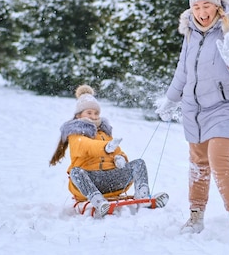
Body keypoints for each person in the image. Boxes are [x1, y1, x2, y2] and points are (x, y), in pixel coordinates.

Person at [156, 0, 229, 240]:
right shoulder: (190, 32)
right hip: (197, 108)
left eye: (207, 5)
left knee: (219, 159)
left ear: (217, 6)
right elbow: (183, 70)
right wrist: (171, 98)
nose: (201, 12)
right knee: (198, 162)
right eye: (196, 6)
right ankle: (195, 216)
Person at [50, 84, 169, 218]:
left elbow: (117, 150)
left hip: (112, 180)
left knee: (138, 163)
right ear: (78, 115)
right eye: (89, 113)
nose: (94, 116)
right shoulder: (75, 134)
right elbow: (86, 146)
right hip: (91, 180)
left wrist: (120, 157)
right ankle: (98, 201)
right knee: (75, 172)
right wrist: (105, 148)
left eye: (96, 113)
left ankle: (143, 197)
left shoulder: (105, 133)